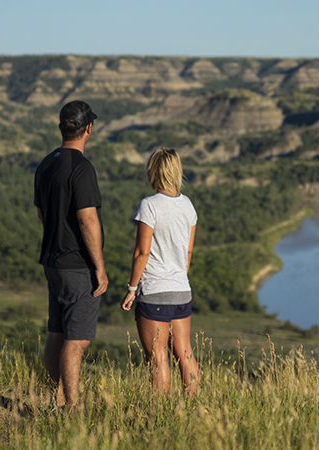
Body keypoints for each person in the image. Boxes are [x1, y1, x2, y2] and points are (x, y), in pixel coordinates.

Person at [34, 100, 108, 411]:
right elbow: (87, 219)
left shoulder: (46, 164)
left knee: (57, 332)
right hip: (77, 265)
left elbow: (41, 212)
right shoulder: (82, 167)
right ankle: (71, 408)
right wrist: (99, 267)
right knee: (77, 340)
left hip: (52, 261)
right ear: (88, 128)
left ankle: (54, 398)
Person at [120, 147, 200, 394]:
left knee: (158, 358)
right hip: (181, 290)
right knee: (185, 353)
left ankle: (160, 415)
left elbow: (142, 253)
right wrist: (178, 277)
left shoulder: (149, 205)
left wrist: (132, 289)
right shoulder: (187, 205)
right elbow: (187, 253)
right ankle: (195, 407)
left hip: (154, 291)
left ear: (153, 171)